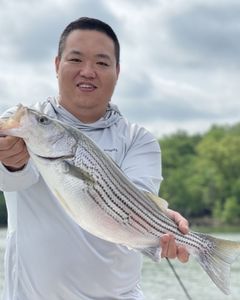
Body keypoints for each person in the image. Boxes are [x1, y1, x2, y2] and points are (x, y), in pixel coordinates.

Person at [0, 17, 189, 300]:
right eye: (76, 59)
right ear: (56, 64)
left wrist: (159, 224)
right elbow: (12, 181)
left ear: (117, 71)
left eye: (101, 63)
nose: (87, 72)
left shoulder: (138, 139)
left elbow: (134, 203)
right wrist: (11, 162)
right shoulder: (24, 122)